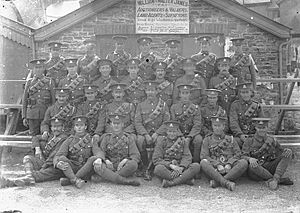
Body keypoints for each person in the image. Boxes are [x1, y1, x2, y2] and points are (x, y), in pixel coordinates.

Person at [0, 117, 68, 188]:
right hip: (45, 162)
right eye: (54, 127)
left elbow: (54, 156)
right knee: (27, 158)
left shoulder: (65, 139)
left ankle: (10, 182)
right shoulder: (50, 136)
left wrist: (43, 167)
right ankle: (28, 178)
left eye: (58, 127)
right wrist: (37, 149)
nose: (55, 129)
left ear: (62, 127)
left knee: (37, 174)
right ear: (51, 128)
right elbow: (35, 138)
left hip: (55, 167)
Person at [242, 117, 293, 190]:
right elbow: (242, 156)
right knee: (252, 166)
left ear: (267, 128)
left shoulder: (271, 140)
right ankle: (276, 179)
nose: (262, 130)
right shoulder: (249, 140)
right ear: (256, 128)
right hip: (256, 170)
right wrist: (250, 159)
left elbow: (281, 151)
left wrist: (287, 150)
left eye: (264, 127)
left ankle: (275, 179)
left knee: (288, 152)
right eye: (259, 128)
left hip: (270, 166)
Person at [200, 116, 248, 191]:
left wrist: (229, 163)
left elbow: (238, 154)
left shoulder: (231, 139)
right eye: (215, 126)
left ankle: (218, 182)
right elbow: (204, 156)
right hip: (215, 170)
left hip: (230, 170)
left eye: (219, 126)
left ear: (223, 126)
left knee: (244, 162)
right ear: (212, 126)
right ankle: (226, 183)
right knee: (203, 162)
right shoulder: (207, 140)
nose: (217, 128)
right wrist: (217, 164)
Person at [135, 81, 170, 180]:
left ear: (156, 91)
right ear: (145, 91)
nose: (150, 92)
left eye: (152, 90)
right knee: (140, 140)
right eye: (148, 90)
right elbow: (137, 122)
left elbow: (166, 122)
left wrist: (157, 133)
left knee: (160, 141)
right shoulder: (140, 105)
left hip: (159, 133)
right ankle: (145, 166)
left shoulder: (163, 105)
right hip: (145, 132)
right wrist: (145, 134)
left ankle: (153, 168)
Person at [92, 114, 141, 186]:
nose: (116, 126)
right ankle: (124, 181)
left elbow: (136, 155)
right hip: (109, 166)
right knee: (97, 166)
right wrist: (106, 160)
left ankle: (107, 177)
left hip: (123, 167)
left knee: (133, 164)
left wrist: (126, 160)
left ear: (122, 125)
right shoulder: (106, 137)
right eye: (114, 123)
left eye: (118, 124)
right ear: (111, 125)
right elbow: (102, 152)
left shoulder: (129, 138)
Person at [153, 121, 200, 188]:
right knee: (158, 168)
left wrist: (181, 167)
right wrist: (171, 165)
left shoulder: (182, 141)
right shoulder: (161, 141)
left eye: (174, 132)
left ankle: (171, 183)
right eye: (170, 131)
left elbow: (187, 157)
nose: (172, 134)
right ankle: (185, 180)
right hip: (168, 168)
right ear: (166, 132)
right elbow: (156, 159)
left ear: (177, 132)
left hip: (180, 167)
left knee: (196, 166)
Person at [53, 115, 96, 188]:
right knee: (62, 158)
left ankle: (71, 179)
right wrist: (57, 164)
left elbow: (97, 151)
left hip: (86, 168)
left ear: (85, 127)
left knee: (93, 158)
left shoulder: (91, 139)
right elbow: (58, 155)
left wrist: (99, 159)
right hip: (73, 167)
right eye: (77, 125)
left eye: (81, 125)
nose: (79, 127)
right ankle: (76, 180)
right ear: (74, 127)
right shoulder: (69, 140)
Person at [170, 84, 202, 163]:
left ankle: (195, 162)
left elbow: (197, 124)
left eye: (187, 93)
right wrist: (180, 135)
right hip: (178, 133)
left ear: (190, 94)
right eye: (183, 93)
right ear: (179, 94)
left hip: (191, 133)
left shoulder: (195, 108)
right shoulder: (174, 107)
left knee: (198, 139)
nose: (185, 96)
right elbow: (173, 124)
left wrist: (189, 137)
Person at [22, 59, 55, 136]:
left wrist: (52, 115)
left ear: (43, 68)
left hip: (45, 114)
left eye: (40, 67)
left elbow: (53, 101)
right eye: (36, 68)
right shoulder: (29, 82)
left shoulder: (49, 81)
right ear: (33, 69)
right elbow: (25, 101)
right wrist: (24, 116)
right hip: (32, 114)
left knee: (46, 136)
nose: (38, 70)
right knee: (33, 137)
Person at [229, 82, 263, 148]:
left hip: (254, 135)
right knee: (234, 142)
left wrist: (256, 135)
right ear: (240, 94)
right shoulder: (235, 105)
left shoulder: (256, 106)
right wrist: (240, 134)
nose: (245, 95)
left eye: (247, 92)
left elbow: (261, 122)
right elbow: (233, 122)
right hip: (239, 136)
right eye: (243, 92)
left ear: (251, 93)